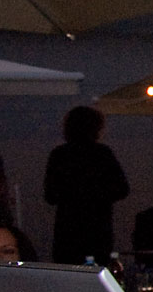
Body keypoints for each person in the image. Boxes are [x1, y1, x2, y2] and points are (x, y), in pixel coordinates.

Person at [44, 106, 130, 264]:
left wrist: (71, 195)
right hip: (98, 230)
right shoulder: (102, 154)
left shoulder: (59, 155)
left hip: (68, 231)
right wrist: (98, 195)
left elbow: (50, 195)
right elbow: (122, 189)